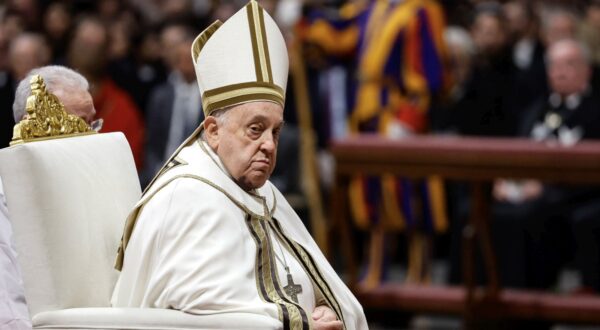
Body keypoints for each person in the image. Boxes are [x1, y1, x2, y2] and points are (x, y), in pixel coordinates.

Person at [112, 1, 367, 329]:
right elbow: (192, 307)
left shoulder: (263, 192)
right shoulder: (187, 196)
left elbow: (303, 276)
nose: (270, 145)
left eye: (275, 131)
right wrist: (298, 322)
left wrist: (323, 306)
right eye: (255, 129)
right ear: (213, 131)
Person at [493, 39, 600, 290]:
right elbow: (516, 152)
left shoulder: (596, 112)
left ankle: (529, 302)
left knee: (530, 215)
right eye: (554, 65)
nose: (560, 71)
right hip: (528, 190)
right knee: (479, 210)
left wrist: (545, 188)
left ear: (587, 70)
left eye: (569, 64)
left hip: (574, 194)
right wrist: (505, 181)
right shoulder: (534, 110)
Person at [1, 65, 96, 330]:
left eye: (93, 124)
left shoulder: (91, 186)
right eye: (76, 125)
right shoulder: (4, 200)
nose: (92, 138)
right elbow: (9, 313)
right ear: (30, 128)